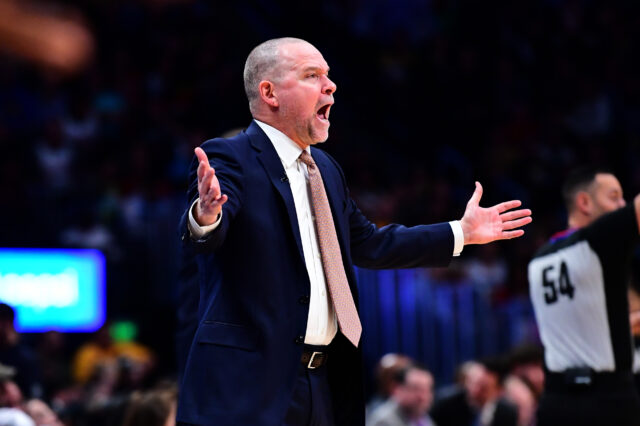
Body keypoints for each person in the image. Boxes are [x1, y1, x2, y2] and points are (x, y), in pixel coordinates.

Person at [178, 37, 531, 426]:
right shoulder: (231, 155)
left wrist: (460, 233)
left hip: (322, 381)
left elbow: (369, 243)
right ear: (269, 92)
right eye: (312, 76)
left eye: (329, 76)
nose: (331, 86)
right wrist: (206, 213)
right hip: (250, 387)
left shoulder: (326, 168)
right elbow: (207, 230)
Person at [528, 167, 640, 425]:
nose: (621, 204)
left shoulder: (538, 258)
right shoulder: (598, 240)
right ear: (584, 203)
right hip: (607, 400)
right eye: (614, 197)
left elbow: (587, 323)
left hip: (555, 401)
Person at [367, 365, 436, 426]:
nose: (423, 397)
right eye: (415, 389)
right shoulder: (383, 421)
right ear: (397, 389)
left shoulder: (422, 417)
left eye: (427, 390)